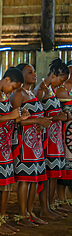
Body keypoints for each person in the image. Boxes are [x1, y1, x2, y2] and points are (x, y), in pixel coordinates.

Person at [0, 67, 29, 235]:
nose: (14, 91)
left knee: (7, 182)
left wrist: (19, 117)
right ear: (6, 79)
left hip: (5, 145)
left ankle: (2, 218)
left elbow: (7, 117)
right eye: (14, 87)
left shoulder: (4, 95)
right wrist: (9, 117)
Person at [10, 63, 51, 226]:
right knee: (25, 179)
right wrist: (37, 120)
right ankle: (22, 215)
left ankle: (30, 212)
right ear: (20, 75)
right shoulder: (18, 94)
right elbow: (16, 120)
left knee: (34, 178)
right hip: (25, 143)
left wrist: (40, 123)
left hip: (36, 143)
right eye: (30, 72)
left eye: (34, 71)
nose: (34, 74)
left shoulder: (32, 93)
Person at [34, 58, 70, 219]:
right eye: (61, 80)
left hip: (54, 139)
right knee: (48, 174)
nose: (61, 84)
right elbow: (38, 116)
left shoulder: (51, 90)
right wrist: (58, 117)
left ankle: (50, 205)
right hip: (45, 140)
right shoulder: (40, 90)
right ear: (54, 74)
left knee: (54, 173)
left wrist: (61, 116)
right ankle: (44, 208)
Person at [55, 60, 72, 212]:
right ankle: (61, 197)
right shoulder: (59, 90)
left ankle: (68, 196)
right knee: (64, 165)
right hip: (64, 131)